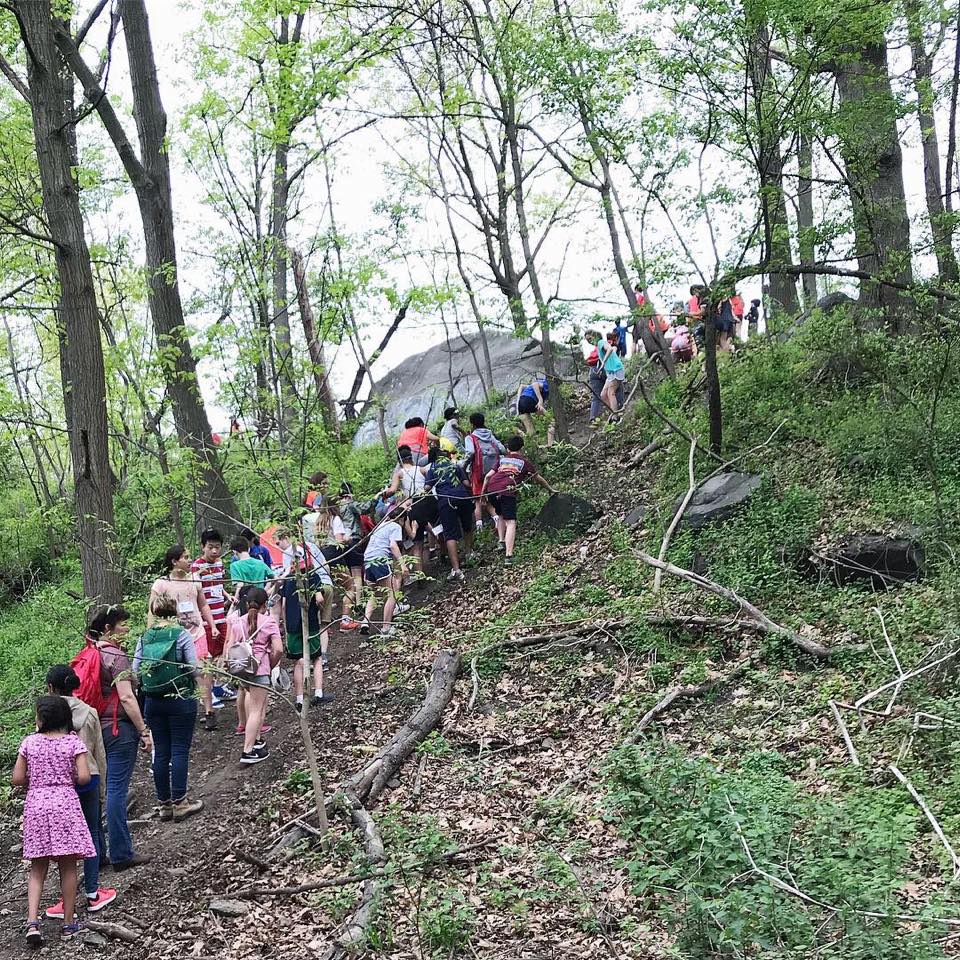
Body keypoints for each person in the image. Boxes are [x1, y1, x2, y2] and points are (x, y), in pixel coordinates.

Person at [14, 696, 96, 945]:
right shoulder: (73, 742)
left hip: (37, 804)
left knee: (37, 867)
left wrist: (36, 780)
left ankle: (32, 923)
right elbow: (84, 777)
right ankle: (69, 924)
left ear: (41, 719)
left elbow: (17, 778)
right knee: (68, 866)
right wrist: (66, 777)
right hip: (65, 804)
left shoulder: (29, 742)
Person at [43, 666, 114, 921]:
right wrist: (103, 789)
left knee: (66, 840)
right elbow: (99, 754)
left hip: (60, 783)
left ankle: (67, 898)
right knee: (92, 831)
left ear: (51, 687)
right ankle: (94, 893)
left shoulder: (46, 712)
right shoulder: (90, 712)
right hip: (89, 778)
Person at [85, 604, 152, 872]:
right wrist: (143, 730)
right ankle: (122, 853)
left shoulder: (91, 652)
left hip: (93, 728)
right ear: (107, 629)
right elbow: (126, 696)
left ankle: (97, 854)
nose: (127, 629)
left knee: (97, 792)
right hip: (117, 728)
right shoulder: (117, 657)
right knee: (116, 790)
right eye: (122, 625)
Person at [134, 593, 203, 821]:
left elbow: (135, 672)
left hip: (153, 701)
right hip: (180, 697)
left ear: (154, 611)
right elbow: (193, 668)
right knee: (180, 750)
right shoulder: (181, 634)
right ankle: (181, 802)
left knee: (161, 750)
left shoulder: (145, 637)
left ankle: (164, 805)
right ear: (174, 611)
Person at [150, 544, 217, 731]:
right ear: (174, 561)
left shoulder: (195, 579)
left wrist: (211, 625)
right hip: (174, 636)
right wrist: (152, 634)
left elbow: (203, 605)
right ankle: (183, 710)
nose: (189, 561)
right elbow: (152, 610)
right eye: (185, 557)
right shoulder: (161, 583)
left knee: (204, 669)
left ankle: (209, 710)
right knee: (180, 672)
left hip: (197, 633)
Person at [227, 587, 282, 765]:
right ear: (265, 604)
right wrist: (271, 664)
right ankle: (248, 750)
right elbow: (278, 649)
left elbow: (232, 646)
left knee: (256, 705)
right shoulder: (269, 622)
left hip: (243, 669)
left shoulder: (238, 622)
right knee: (257, 710)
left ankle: (257, 740)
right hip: (260, 668)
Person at [482, 435, 555, 564]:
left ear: (508, 448)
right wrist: (550, 489)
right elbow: (538, 478)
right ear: (522, 448)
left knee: (500, 514)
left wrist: (482, 494)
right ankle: (509, 556)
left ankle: (501, 541)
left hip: (492, 489)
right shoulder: (524, 462)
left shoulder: (502, 460)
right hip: (507, 490)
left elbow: (488, 476)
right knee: (511, 522)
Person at [280, 550, 334, 711]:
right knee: (316, 658)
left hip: (292, 626)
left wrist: (286, 623)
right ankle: (318, 693)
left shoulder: (288, 580)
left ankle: (299, 699)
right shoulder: (312, 577)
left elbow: (283, 605)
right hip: (309, 624)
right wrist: (321, 607)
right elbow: (319, 598)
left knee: (299, 662)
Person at [191, 529, 236, 705]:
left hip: (221, 616)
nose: (214, 551)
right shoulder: (196, 567)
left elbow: (218, 584)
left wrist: (226, 595)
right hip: (205, 620)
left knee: (223, 653)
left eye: (217, 547)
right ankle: (207, 695)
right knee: (206, 656)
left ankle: (218, 685)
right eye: (210, 547)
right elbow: (195, 592)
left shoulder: (219, 564)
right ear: (203, 547)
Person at [425, 443, 474, 582]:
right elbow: (467, 484)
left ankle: (457, 570)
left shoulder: (433, 469)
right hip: (462, 496)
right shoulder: (454, 466)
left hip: (446, 501)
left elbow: (427, 488)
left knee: (450, 534)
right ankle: (469, 553)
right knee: (467, 525)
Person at [361, 505, 409, 636]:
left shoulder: (380, 526)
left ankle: (365, 622)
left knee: (374, 594)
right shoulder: (396, 526)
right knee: (392, 593)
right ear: (402, 519)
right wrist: (403, 564)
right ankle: (386, 627)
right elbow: (393, 546)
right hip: (380, 559)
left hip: (367, 560)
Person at [333, 483, 370, 630]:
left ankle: (352, 602)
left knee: (348, 575)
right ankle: (359, 603)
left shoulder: (335, 509)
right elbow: (364, 508)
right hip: (353, 539)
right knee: (356, 574)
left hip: (342, 543)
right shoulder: (349, 504)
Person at [463, 412, 504, 530]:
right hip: (493, 471)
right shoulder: (490, 435)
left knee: (477, 499)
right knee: (490, 496)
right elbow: (501, 449)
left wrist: (464, 464)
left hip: (478, 472)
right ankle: (497, 519)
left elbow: (470, 452)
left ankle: (479, 527)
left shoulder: (470, 437)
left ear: (472, 424)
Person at [599, 331, 626, 414]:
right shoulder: (603, 345)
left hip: (616, 369)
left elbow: (612, 349)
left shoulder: (604, 343)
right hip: (610, 372)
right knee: (603, 395)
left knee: (611, 392)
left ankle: (615, 416)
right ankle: (613, 412)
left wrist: (603, 362)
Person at [585, 329, 606, 422]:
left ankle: (593, 417)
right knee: (614, 389)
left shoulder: (595, 350)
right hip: (603, 369)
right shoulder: (604, 345)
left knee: (596, 396)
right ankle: (618, 409)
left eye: (590, 339)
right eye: (588, 340)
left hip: (593, 371)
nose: (589, 342)